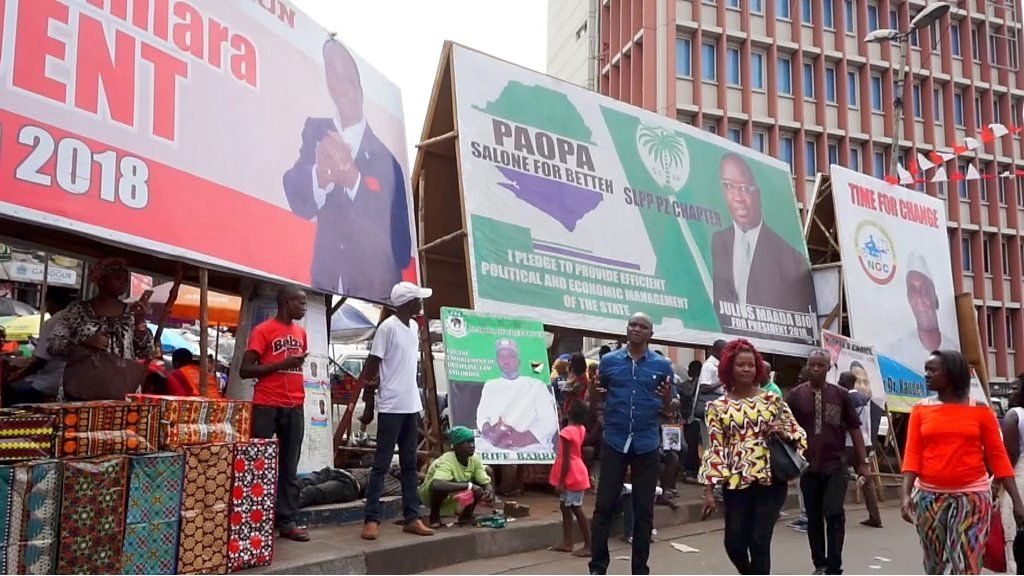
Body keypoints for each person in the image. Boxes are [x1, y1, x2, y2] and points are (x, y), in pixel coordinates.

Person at [282, 39, 412, 300]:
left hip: (375, 296)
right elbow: (296, 197)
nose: (340, 85)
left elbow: (401, 249)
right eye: (332, 73)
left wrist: (354, 181)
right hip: (321, 289)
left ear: (361, 87)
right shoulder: (316, 130)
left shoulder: (388, 160)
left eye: (348, 77)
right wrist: (319, 176)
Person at [901, 350, 1024, 575]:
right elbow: (912, 455)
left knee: (966, 564)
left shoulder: (980, 411)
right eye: (926, 369)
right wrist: (906, 494)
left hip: (972, 498)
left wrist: (1016, 501)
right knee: (934, 566)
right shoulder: (920, 410)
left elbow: (998, 457)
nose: (926, 374)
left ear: (951, 373)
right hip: (929, 498)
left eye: (932, 370)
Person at [700, 339, 806, 575]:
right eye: (740, 365)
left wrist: (783, 431)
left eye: (750, 365)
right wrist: (708, 490)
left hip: (770, 481)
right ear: (729, 368)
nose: (746, 369)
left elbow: (798, 434)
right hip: (735, 482)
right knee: (734, 543)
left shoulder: (772, 400)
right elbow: (715, 448)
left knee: (759, 542)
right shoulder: (717, 407)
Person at [589, 313, 674, 576]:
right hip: (614, 441)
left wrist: (669, 399)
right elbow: (596, 400)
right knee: (603, 506)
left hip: (646, 443)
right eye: (632, 325)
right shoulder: (609, 362)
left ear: (651, 334)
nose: (636, 329)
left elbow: (670, 407)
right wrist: (593, 392)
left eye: (643, 326)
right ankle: (597, 568)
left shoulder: (662, 366)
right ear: (626, 330)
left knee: (644, 510)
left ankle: (640, 569)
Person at [357, 282, 435, 540]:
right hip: (391, 405)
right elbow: (372, 365)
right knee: (381, 464)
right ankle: (371, 519)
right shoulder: (387, 328)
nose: (420, 304)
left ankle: (412, 516)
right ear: (405, 304)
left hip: (410, 405)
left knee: (410, 464)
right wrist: (368, 398)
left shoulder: (413, 327)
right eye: (417, 300)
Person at [787, 350, 870, 575]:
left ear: (828, 368)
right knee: (813, 518)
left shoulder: (841, 395)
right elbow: (786, 427)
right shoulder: (795, 396)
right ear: (806, 366)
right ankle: (819, 563)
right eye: (811, 365)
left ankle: (835, 566)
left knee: (834, 513)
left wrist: (862, 462)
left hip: (836, 465)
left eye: (820, 365)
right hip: (808, 467)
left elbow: (854, 428)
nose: (815, 369)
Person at [239, 285, 310, 542]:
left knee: (289, 465)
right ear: (286, 303)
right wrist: (282, 364)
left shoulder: (301, 333)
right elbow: (245, 370)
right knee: (259, 464)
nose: (303, 308)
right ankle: (253, 518)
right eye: (300, 303)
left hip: (294, 405)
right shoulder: (263, 331)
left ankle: (287, 521)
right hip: (266, 405)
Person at [710, 153, 813, 324]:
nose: (738, 198)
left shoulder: (791, 259)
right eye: (729, 186)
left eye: (745, 188)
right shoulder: (719, 242)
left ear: (758, 193)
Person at [48, 258, 153, 363]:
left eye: (125, 279)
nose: (123, 282)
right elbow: (53, 346)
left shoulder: (132, 313)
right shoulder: (78, 310)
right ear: (101, 279)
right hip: (84, 376)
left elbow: (145, 353)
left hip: (120, 377)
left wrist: (139, 323)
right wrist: (84, 344)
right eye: (117, 277)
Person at [476, 338, 560, 452]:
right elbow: (482, 417)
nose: (506, 361)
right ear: (497, 361)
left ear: (518, 361)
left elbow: (548, 420)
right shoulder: (490, 385)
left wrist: (519, 439)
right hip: (496, 446)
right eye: (502, 357)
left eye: (510, 356)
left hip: (530, 447)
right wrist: (491, 432)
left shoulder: (536, 385)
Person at [884, 253, 958, 369]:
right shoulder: (897, 352)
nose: (920, 299)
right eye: (914, 291)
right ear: (909, 299)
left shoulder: (955, 351)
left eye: (925, 290)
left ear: (935, 297)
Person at [5, 288, 74, 404]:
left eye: (47, 305)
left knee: (10, 390)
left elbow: (40, 361)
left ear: (51, 302)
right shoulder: (77, 318)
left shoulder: (55, 320)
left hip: (50, 382)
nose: (46, 309)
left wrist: (15, 377)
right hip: (71, 381)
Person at [418, 426, 494, 528]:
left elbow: (484, 479)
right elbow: (436, 484)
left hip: (456, 493)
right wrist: (469, 486)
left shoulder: (474, 459)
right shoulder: (447, 460)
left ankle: (466, 516)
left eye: (472, 441)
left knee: (481, 484)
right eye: (466, 442)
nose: (471, 445)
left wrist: (489, 490)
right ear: (456, 446)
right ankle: (434, 517)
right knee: (438, 487)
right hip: (432, 495)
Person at [837, 370, 882, 528]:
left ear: (844, 381)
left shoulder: (846, 398)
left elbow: (846, 423)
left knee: (838, 476)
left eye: (840, 379)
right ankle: (875, 516)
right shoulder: (864, 398)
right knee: (867, 479)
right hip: (867, 442)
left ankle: (835, 512)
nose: (838, 381)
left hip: (850, 444)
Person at [547, 401, 592, 557]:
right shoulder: (581, 429)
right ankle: (567, 542)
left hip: (571, 474)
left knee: (575, 508)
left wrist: (560, 481)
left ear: (568, 414)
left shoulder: (566, 432)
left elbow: (565, 459)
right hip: (577, 470)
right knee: (565, 506)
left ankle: (589, 544)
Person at [1000, 373, 1024, 574]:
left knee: (1014, 546)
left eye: (1015, 388)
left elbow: (1009, 457)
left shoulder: (1014, 416)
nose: (1011, 392)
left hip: (1017, 483)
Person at [693, 340, 727, 461]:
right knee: (709, 443)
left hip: (717, 410)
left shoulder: (718, 365)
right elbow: (704, 387)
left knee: (716, 443)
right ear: (716, 350)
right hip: (708, 409)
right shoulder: (709, 366)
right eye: (724, 351)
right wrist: (723, 381)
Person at [561, 353, 589, 417]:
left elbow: (565, 391)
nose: (569, 363)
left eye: (571, 361)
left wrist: (570, 380)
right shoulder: (575, 376)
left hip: (576, 410)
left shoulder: (582, 378)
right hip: (570, 407)